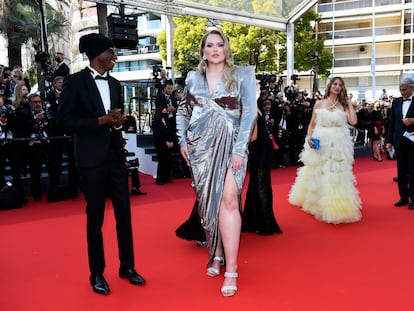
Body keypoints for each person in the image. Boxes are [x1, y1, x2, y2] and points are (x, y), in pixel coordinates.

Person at [57, 33, 145, 295]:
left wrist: (118, 120)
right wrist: (100, 121)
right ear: (97, 54)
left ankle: (127, 267)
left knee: (124, 214)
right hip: (90, 159)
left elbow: (113, 117)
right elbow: (63, 122)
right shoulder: (75, 83)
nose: (115, 57)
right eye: (111, 52)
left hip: (115, 155)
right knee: (95, 218)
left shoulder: (116, 84)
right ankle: (96, 273)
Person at [176, 28, 256, 297]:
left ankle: (231, 269)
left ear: (227, 48)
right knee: (208, 203)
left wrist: (240, 148)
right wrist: (182, 141)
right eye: (209, 45)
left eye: (219, 45)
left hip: (233, 145)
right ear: (203, 50)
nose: (214, 49)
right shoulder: (192, 78)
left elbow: (249, 114)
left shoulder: (243, 74)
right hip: (201, 147)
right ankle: (216, 252)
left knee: (230, 199)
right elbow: (182, 111)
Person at [288, 77, 362, 224]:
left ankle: (336, 206)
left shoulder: (343, 104)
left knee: (336, 173)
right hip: (321, 140)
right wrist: (309, 137)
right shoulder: (320, 103)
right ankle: (316, 202)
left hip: (339, 142)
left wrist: (348, 103)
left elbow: (353, 121)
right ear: (330, 86)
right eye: (335, 84)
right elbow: (311, 124)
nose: (337, 87)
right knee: (318, 171)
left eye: (340, 85)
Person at [242, 110, 283, 235]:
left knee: (261, 185)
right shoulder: (250, 106)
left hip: (261, 150)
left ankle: (265, 223)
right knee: (255, 184)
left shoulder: (250, 108)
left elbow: (253, 136)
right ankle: (252, 221)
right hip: (258, 149)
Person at [386, 77, 414, 209]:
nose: (402, 92)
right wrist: (389, 141)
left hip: (413, 142)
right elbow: (392, 123)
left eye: (404, 90)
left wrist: (413, 121)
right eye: (400, 90)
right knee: (401, 171)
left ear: (412, 88)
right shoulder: (396, 102)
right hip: (399, 141)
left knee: (412, 171)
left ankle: (413, 199)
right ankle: (403, 197)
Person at [152, 106, 174, 185]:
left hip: (169, 144)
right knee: (162, 161)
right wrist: (165, 141)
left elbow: (170, 131)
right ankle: (160, 179)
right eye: (164, 112)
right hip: (160, 144)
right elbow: (157, 134)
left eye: (166, 112)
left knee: (168, 160)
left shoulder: (167, 121)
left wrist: (171, 141)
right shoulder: (155, 122)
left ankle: (167, 177)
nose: (165, 113)